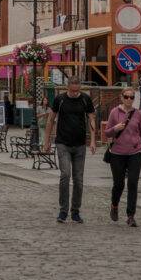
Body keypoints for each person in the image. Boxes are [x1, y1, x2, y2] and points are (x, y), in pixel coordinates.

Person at [43, 76, 96, 224]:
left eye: (76, 90)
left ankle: (75, 211)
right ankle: (63, 210)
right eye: (72, 91)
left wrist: (92, 140)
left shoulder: (85, 99)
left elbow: (91, 119)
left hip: (80, 145)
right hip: (63, 143)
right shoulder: (60, 100)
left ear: (79, 88)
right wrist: (46, 141)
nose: (74, 93)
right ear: (68, 88)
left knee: (78, 180)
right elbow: (51, 119)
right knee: (65, 175)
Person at [104, 87, 141, 227]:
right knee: (118, 184)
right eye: (126, 96)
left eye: (132, 97)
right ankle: (114, 205)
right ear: (121, 97)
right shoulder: (114, 112)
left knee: (132, 183)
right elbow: (106, 133)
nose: (129, 99)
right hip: (117, 154)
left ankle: (131, 215)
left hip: (135, 153)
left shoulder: (138, 114)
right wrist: (115, 129)